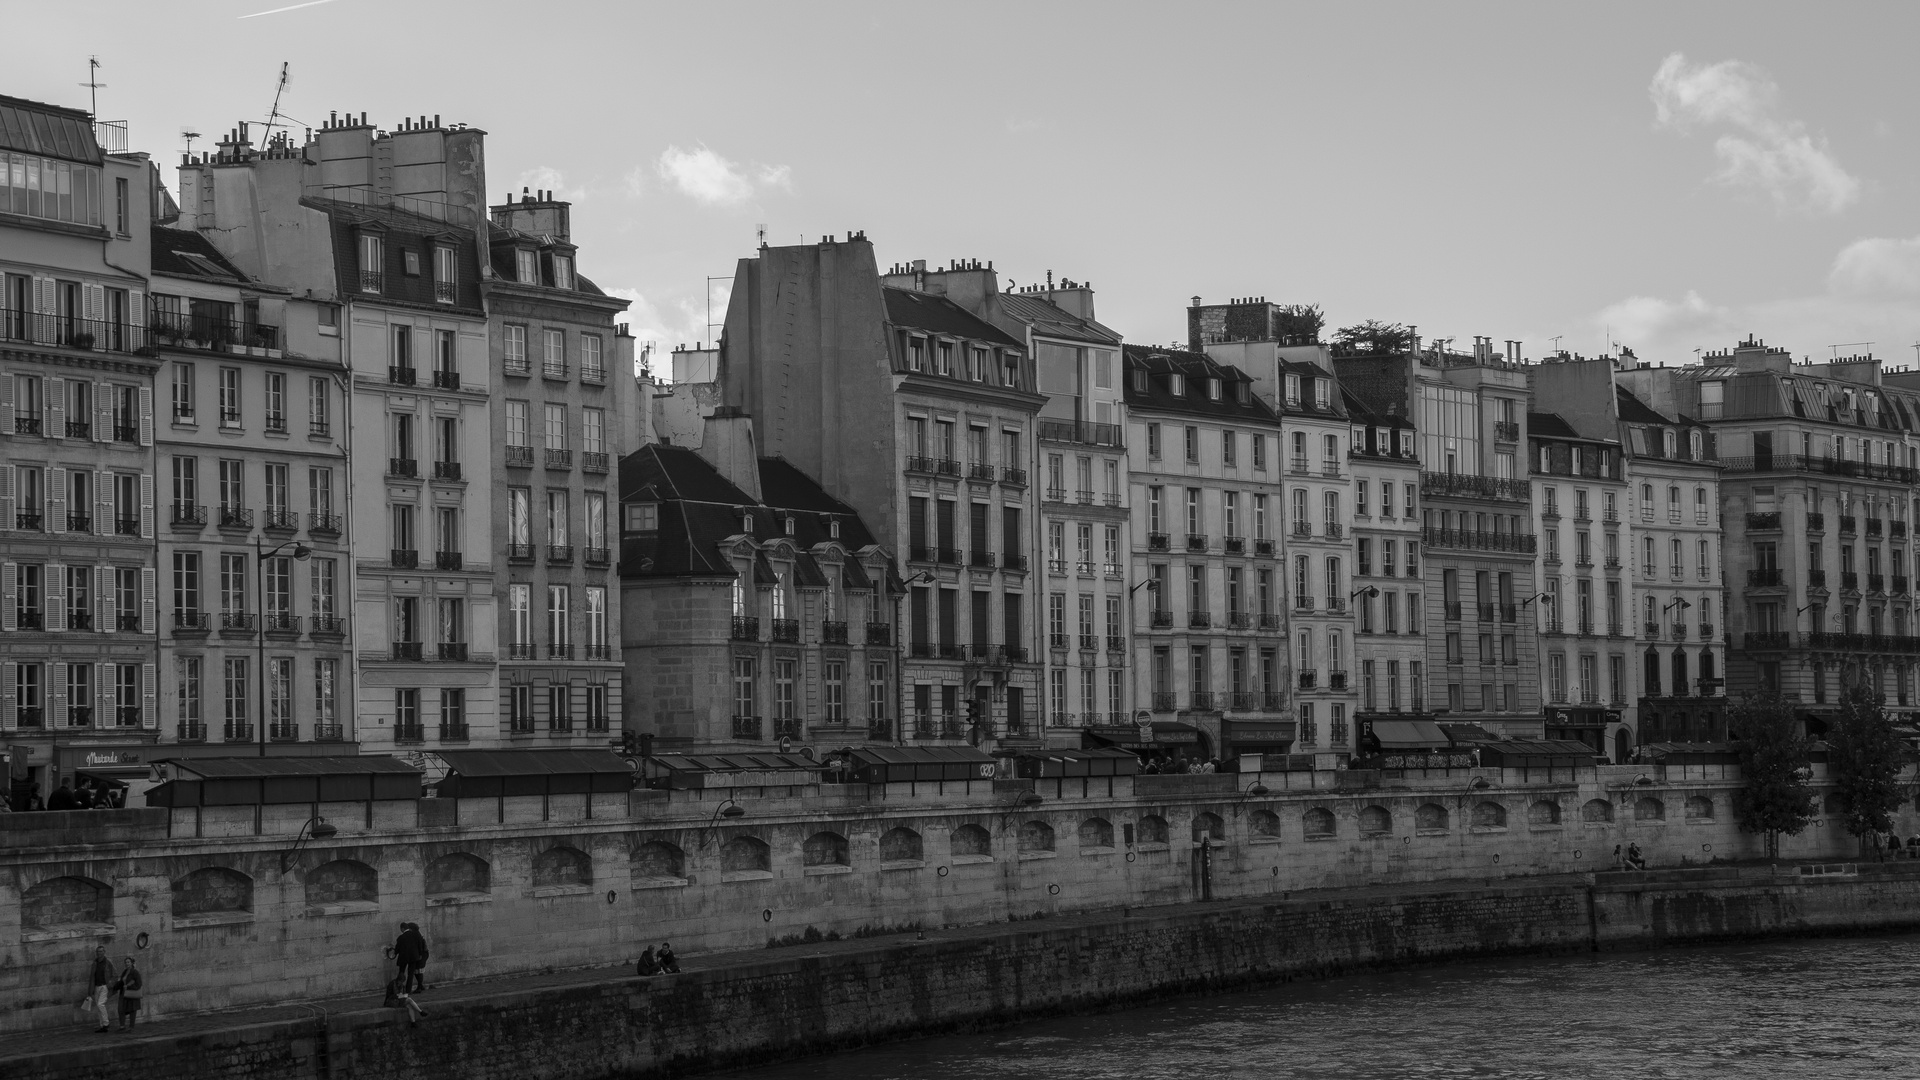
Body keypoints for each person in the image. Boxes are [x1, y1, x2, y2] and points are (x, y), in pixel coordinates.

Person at [394, 922, 429, 995]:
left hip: (403, 958)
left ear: (402, 929)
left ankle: (399, 989)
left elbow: (397, 949)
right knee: (411, 974)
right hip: (413, 957)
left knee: (401, 973)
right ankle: (408, 990)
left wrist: (393, 953)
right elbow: (420, 945)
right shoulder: (415, 935)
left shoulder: (401, 938)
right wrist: (419, 954)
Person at [83, 944, 112, 1032]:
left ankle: (106, 1023)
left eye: (101, 951)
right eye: (98, 951)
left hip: (104, 986)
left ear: (104, 952)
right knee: (98, 1007)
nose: (99, 953)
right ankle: (102, 1025)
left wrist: (110, 984)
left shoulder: (108, 962)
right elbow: (92, 977)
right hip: (96, 986)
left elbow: (114, 974)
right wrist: (90, 991)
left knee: (100, 1004)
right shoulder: (94, 963)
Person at [112, 957, 143, 1031]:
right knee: (121, 1009)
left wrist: (129, 986)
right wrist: (115, 987)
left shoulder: (135, 972)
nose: (127, 964)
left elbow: (139, 983)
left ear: (132, 963)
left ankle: (131, 1026)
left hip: (131, 994)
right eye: (125, 962)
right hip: (124, 993)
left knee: (132, 1009)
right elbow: (122, 982)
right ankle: (122, 1026)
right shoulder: (125, 971)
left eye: (128, 962)